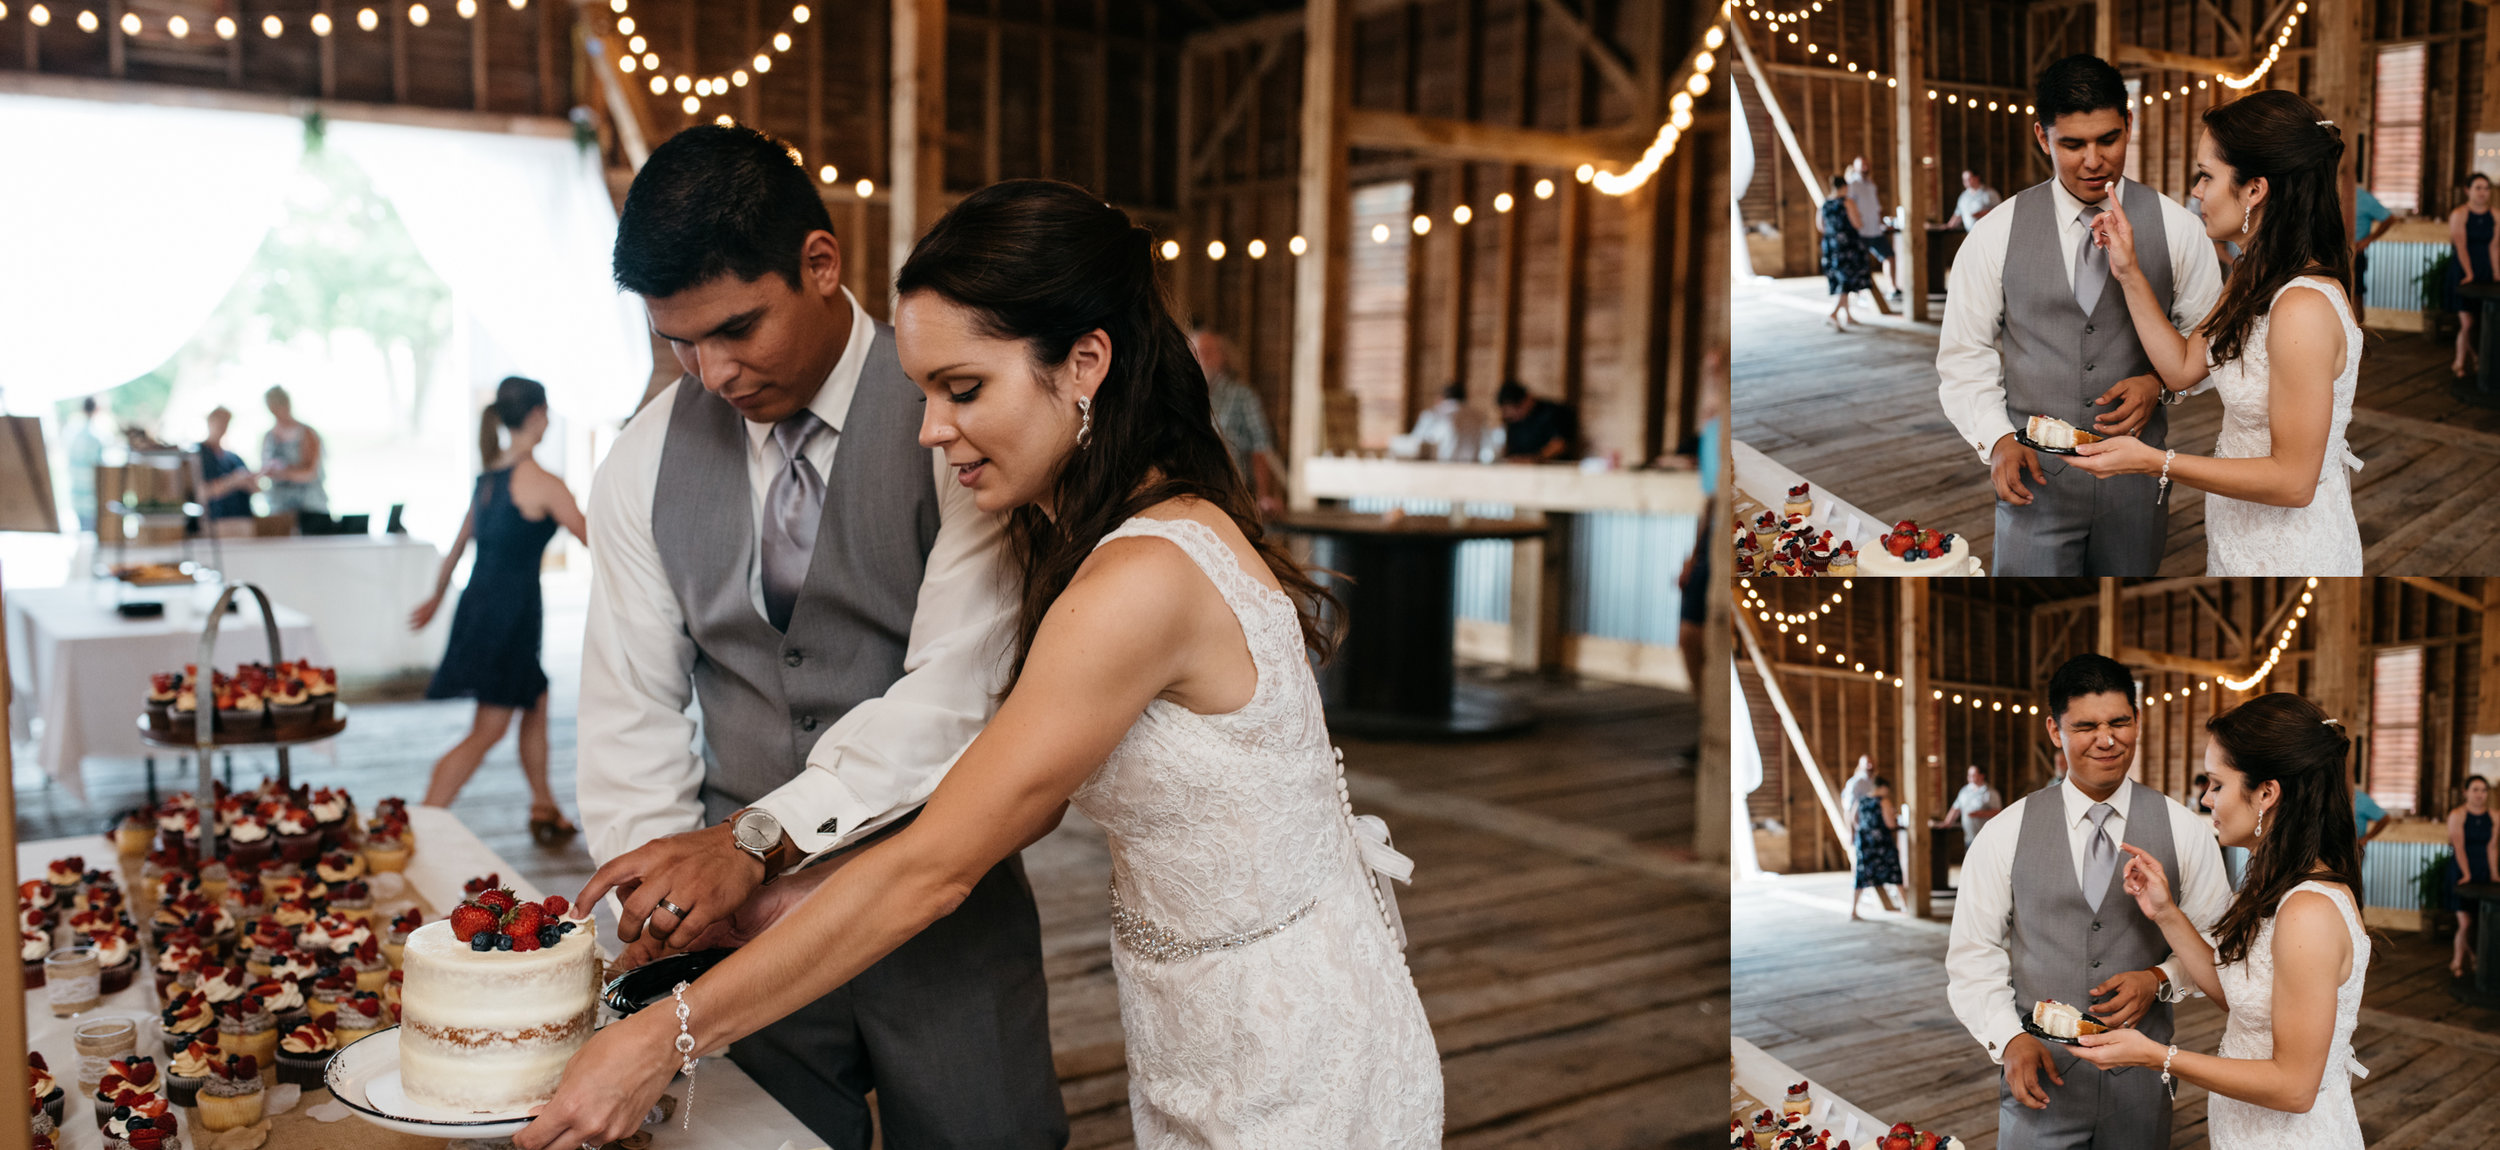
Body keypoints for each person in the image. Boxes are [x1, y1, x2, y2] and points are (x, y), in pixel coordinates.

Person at [520, 176, 1441, 1150]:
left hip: (1287, 1052)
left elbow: (935, 865)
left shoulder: (1138, 580)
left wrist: (665, 1033)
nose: (926, 429)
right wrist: (776, 900)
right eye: (923, 392)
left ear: (1086, 362)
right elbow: (1029, 795)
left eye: (963, 390)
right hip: (1210, 1023)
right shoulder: (1137, 529)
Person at [554, 126, 1068, 1146]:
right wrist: (666, 908)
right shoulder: (641, 463)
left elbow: (957, 690)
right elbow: (632, 709)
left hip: (943, 913)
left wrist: (757, 842)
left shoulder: (953, 421)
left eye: (737, 328)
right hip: (734, 943)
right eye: (678, 342)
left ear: (820, 265)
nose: (711, 372)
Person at [1937, 53, 2223, 576]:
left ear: (2129, 125)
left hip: (2138, 485)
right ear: (2043, 138)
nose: (2094, 161)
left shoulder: (2180, 229)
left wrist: (2160, 384)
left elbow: (2209, 344)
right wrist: (1997, 439)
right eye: (2072, 144)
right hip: (2034, 485)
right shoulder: (1994, 233)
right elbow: (1964, 355)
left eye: (2108, 139)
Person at [2073, 89, 2364, 576]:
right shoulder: (2254, 276)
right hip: (2236, 533)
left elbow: (2294, 482)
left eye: (2206, 175)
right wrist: (2127, 270)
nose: (2196, 192)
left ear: (2254, 190)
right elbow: (2183, 368)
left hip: (2292, 551)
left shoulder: (2303, 308)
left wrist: (2155, 462)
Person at [1946, 653, 2231, 1150]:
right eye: (2086, 726)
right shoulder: (2004, 833)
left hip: (2142, 1081)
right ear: (2056, 731)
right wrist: (2008, 1038)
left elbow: (2218, 939)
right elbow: (1974, 953)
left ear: (2137, 723)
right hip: (2040, 1081)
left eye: (2120, 722)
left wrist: (2161, 978)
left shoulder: (2186, 829)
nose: (2107, 739)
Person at [2073, 693, 2370, 1148]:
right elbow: (2247, 1002)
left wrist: (2158, 1056)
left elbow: (2294, 1088)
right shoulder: (2277, 886)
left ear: (2267, 793)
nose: (2206, 797)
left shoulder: (2309, 912)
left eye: (2217, 784)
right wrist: (2166, 913)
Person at [407, 377, 588, 843]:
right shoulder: (543, 481)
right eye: (546, 411)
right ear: (534, 415)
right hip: (509, 615)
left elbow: (459, 544)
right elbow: (597, 539)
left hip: (482, 606)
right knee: (488, 729)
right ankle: (422, 820)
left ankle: (544, 806)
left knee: (535, 698)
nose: (548, 419)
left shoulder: (490, 476)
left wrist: (436, 596)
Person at [1190, 328, 1283, 515]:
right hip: (1191, 492)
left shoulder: (1243, 396)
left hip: (1231, 494)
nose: (1202, 357)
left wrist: (1262, 495)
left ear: (1222, 357)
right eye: (1196, 352)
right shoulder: (1185, 397)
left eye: (1208, 352)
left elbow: (1261, 448)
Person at [2446, 174, 2499, 379]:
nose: (2482, 192)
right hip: (2462, 270)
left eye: (2486, 188)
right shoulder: (2459, 214)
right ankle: (2460, 361)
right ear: (2468, 190)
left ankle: (2476, 358)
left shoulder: (2496, 215)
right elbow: (2460, 245)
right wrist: (2469, 273)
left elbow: (2494, 247)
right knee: (2467, 322)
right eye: (2478, 188)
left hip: (2485, 270)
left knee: (2481, 321)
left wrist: (2495, 273)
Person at [2445, 774, 2496, 978]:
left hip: (2482, 870)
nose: (2480, 795)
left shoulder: (2494, 816)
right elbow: (2458, 846)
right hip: (2460, 869)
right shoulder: (2457, 814)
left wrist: (2494, 875)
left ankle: (2472, 957)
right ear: (2466, 792)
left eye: (2483, 790)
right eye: (2475, 790)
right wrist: (2466, 874)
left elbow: (2492, 848)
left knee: (2477, 921)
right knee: (2465, 922)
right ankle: (2459, 961)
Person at [1820, 173, 1876, 331]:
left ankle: (1848, 316)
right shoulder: (1847, 202)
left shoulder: (1825, 203)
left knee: (1842, 280)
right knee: (1846, 281)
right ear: (1845, 187)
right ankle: (1834, 313)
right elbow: (1857, 223)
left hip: (1831, 246)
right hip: (1847, 247)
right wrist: (1859, 218)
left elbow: (1820, 226)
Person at [1845, 154, 1900, 299]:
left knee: (1889, 256)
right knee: (1860, 263)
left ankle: (1892, 288)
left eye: (1866, 164)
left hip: (1875, 230)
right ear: (1855, 167)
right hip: (1860, 231)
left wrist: (1881, 222)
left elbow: (1875, 207)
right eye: (1862, 165)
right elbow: (1849, 206)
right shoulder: (1852, 185)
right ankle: (1860, 293)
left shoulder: (1871, 184)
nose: (1865, 167)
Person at [1850, 776, 1904, 920]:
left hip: (1865, 843)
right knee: (1895, 872)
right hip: (1881, 843)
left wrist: (1863, 829)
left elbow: (1853, 819)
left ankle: (1853, 910)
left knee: (1861, 876)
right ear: (1883, 787)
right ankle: (1906, 906)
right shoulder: (1883, 801)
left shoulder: (1860, 800)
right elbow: (1890, 824)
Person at [194, 407, 259, 524]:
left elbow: (256, 489)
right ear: (210, 422)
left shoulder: (234, 458)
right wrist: (233, 481)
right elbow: (200, 492)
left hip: (241, 519)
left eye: (226, 422)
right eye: (219, 422)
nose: (222, 427)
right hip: (214, 522)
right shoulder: (197, 455)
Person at [1403, 379, 1493, 463]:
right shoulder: (1478, 416)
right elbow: (1489, 446)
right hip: (1473, 467)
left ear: (1441, 397)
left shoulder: (1435, 414)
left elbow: (1416, 443)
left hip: (1444, 466)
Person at [1496, 379, 1578, 462]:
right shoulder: (1513, 420)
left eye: (1518, 410)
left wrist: (1534, 459)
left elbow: (1560, 445)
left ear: (1527, 399)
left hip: (1551, 468)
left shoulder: (1554, 413)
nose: (1516, 416)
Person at [1932, 765, 2005, 844]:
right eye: (1969, 775)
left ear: (1982, 776)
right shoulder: (1964, 791)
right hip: (1969, 838)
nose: (1970, 777)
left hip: (1985, 839)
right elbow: (1956, 808)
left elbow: (1997, 812)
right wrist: (1947, 822)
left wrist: (1979, 814)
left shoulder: (1990, 793)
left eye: (1973, 775)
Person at [2351, 184, 2393, 310]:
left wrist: (2368, 240)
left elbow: (2389, 218)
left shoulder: (2363, 197)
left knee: (2355, 295)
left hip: (2355, 253)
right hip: (2334, 253)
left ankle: (2357, 329)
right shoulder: (2330, 194)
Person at [66, 397, 104, 532]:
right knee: (90, 531)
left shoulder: (73, 434)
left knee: (84, 530)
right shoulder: (97, 436)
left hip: (79, 492)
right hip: (90, 494)